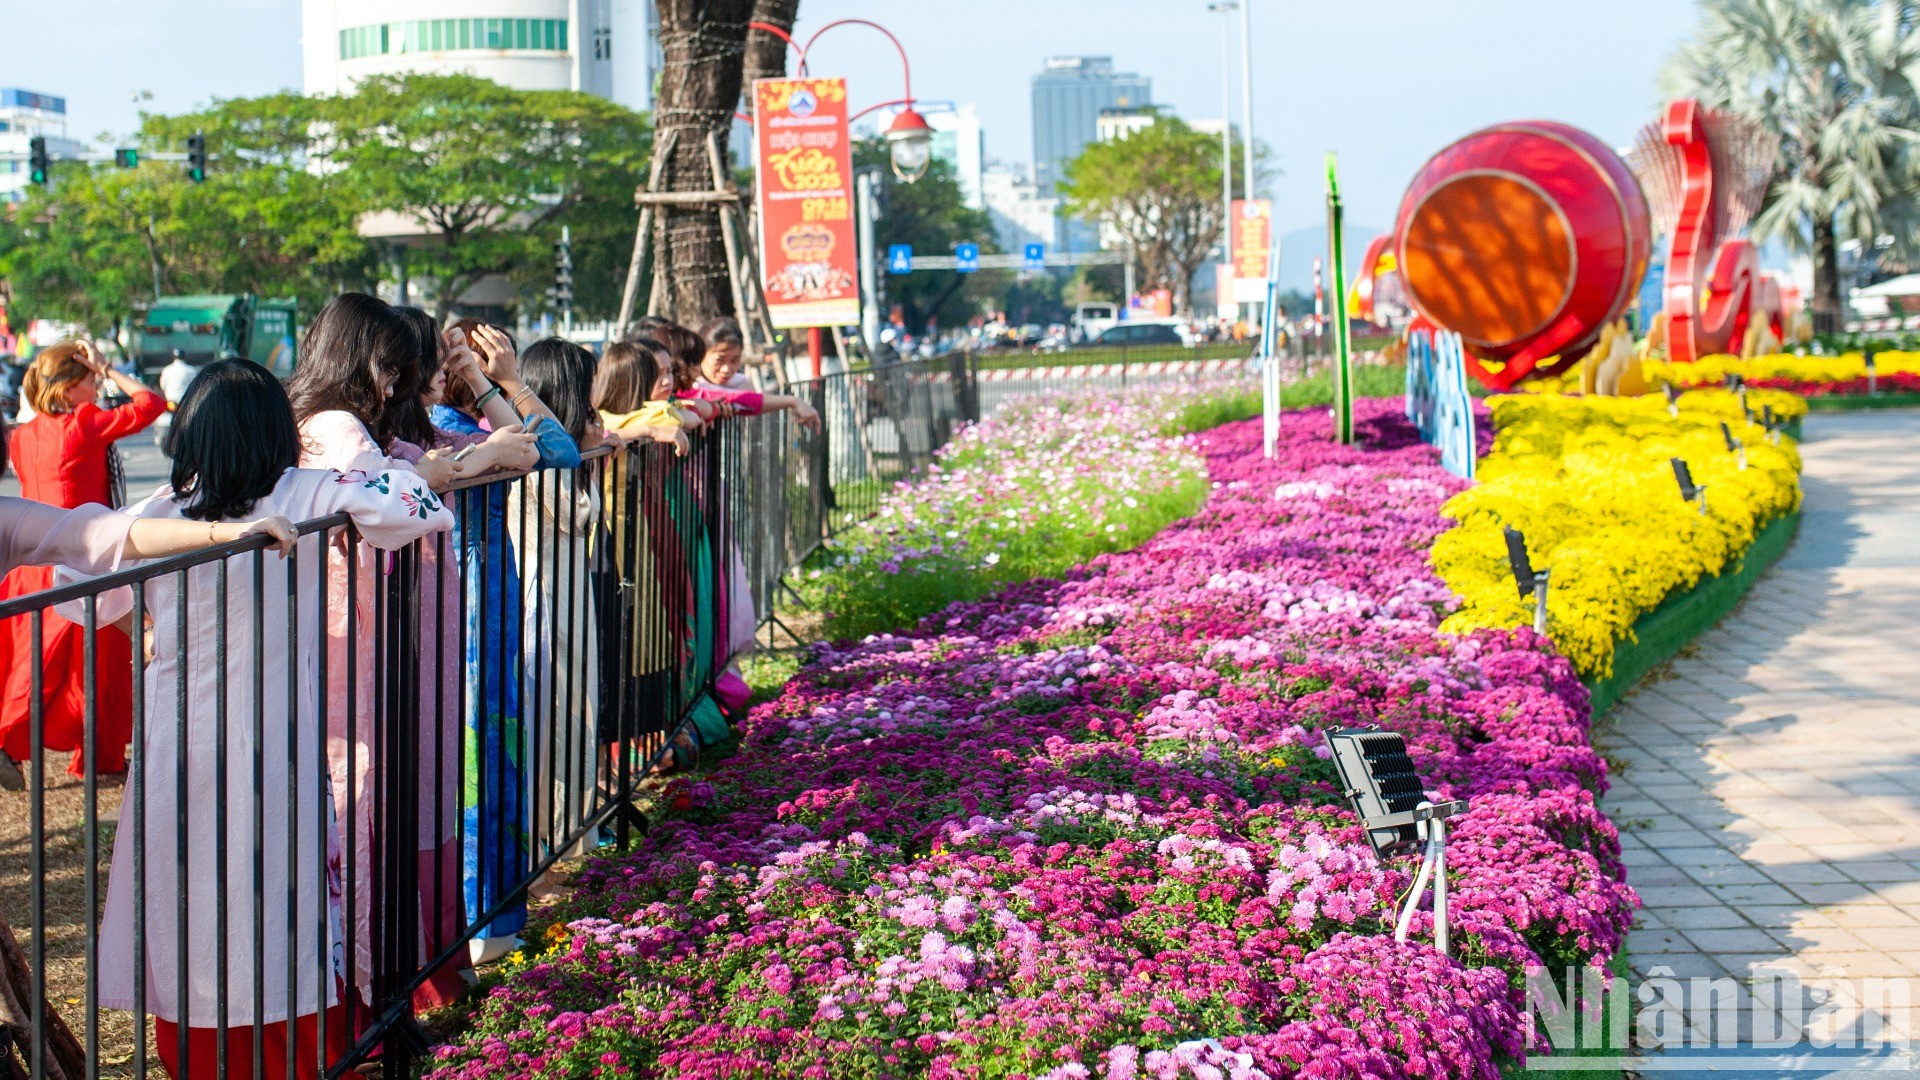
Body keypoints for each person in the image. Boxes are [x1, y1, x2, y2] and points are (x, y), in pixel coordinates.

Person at [89, 358, 453, 1080]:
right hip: (274, 736)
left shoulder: (163, 508)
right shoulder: (310, 490)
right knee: (279, 900)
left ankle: (198, 1057)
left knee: (190, 899)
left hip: (180, 735)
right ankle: (295, 1057)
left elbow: (80, 587)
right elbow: (417, 506)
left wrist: (152, 633)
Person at [285, 293, 473, 1013]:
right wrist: (439, 475)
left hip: (356, 622)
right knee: (360, 792)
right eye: (391, 366)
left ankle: (382, 981)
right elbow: (398, 504)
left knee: (370, 791)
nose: (397, 381)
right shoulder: (336, 425)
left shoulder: (328, 420)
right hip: (350, 630)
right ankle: (374, 989)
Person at [0, 410, 295, 790]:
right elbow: (148, 405)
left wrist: (227, 533)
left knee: (42, 674)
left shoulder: (21, 463)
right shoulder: (80, 425)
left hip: (49, 573)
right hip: (54, 575)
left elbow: (109, 533)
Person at [0, 340, 165, 783]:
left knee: (32, 665)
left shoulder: (23, 436)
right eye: (90, 382)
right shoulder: (83, 424)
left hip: (28, 568)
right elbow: (150, 404)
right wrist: (108, 367)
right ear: (71, 389)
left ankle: (17, 744)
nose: (96, 388)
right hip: (81, 561)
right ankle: (95, 756)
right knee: (97, 668)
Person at [511, 338, 607, 874]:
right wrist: (585, 451)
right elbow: (577, 511)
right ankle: (549, 840)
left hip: (566, 593)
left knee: (570, 713)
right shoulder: (541, 451)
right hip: (546, 600)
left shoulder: (550, 447)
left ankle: (566, 831)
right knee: (554, 719)